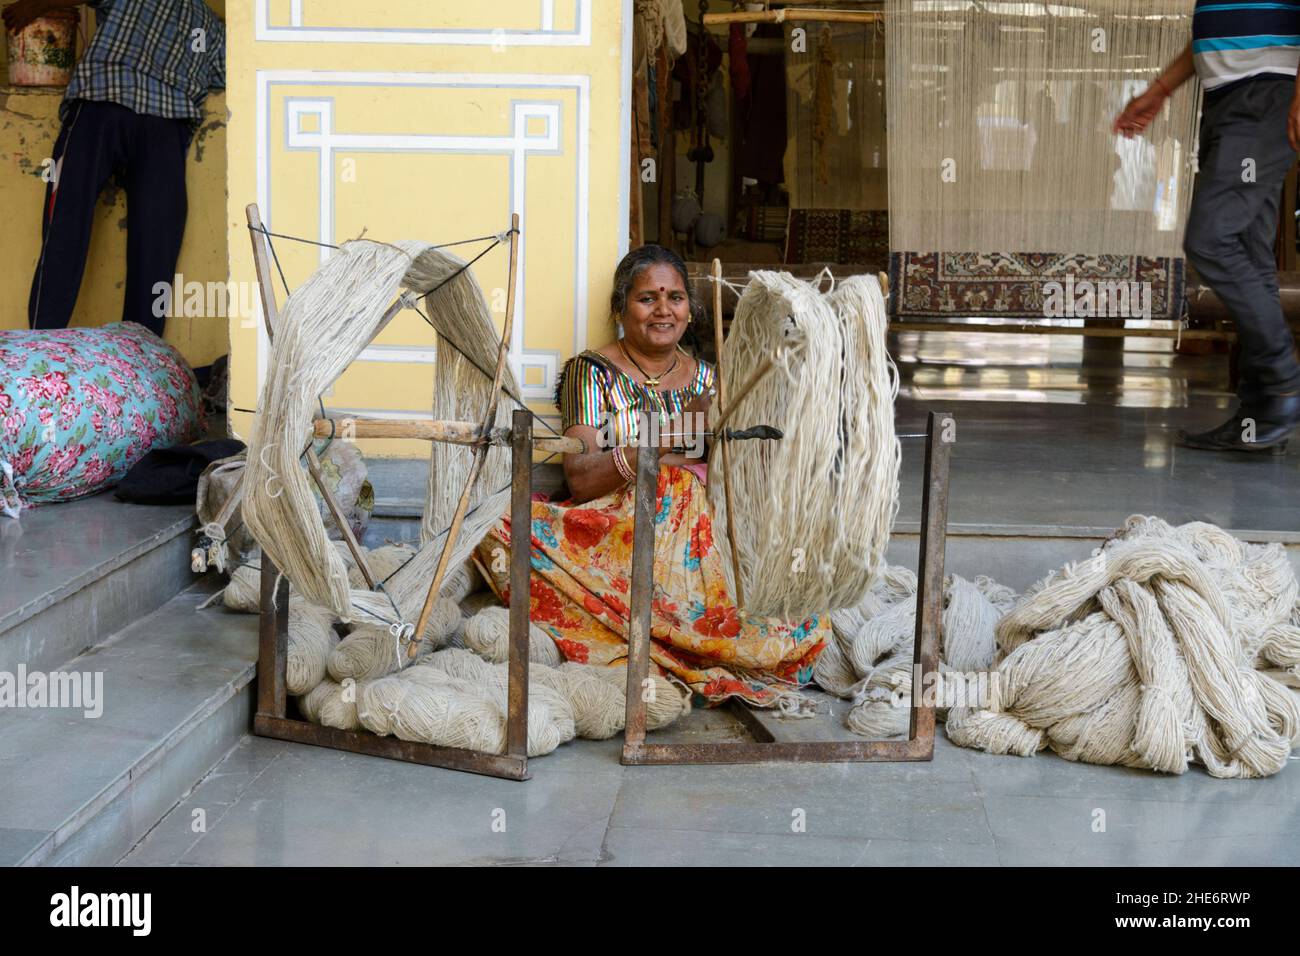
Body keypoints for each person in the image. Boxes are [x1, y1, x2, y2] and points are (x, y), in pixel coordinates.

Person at [475, 245, 830, 707]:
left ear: (690, 309)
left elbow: (747, 477)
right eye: (648, 298)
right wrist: (666, 438)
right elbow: (581, 480)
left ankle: (677, 634)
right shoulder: (593, 373)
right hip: (615, 531)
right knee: (494, 525)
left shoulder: (712, 380)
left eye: (676, 297)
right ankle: (665, 633)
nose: (664, 309)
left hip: (705, 541)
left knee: (684, 488)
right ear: (620, 309)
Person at [1114, 2, 1300, 452]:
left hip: (1267, 97)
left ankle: (1283, 381)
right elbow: (1216, 31)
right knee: (1252, 257)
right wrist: (1161, 89)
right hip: (1226, 100)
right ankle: (1261, 419)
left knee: (1211, 240)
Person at [3, 0, 226, 337]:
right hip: (138, 118)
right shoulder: (209, 27)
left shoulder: (209, 25)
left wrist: (37, 4)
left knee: (76, 226)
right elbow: (229, 71)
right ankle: (105, 350)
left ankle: (61, 343)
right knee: (144, 246)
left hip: (122, 113)